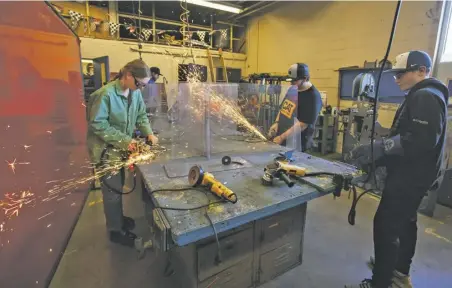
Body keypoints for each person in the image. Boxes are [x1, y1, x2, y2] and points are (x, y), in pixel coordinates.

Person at [347, 51, 449, 288]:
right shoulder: (425, 94)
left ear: (422, 71)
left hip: (409, 178)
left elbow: (422, 140)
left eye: (401, 73)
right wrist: (381, 156)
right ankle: (399, 271)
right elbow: (411, 136)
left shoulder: (425, 96)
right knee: (406, 222)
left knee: (385, 225)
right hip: (415, 175)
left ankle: (381, 282)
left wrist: (381, 147)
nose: (396, 79)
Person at [87, 59, 159, 247]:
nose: (141, 88)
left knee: (117, 188)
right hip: (105, 151)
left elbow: (141, 116)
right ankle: (115, 231)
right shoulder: (105, 95)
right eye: (139, 84)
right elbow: (98, 124)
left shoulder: (134, 94)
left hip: (119, 149)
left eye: (144, 86)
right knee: (112, 192)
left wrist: (148, 133)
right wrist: (128, 142)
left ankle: (117, 218)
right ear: (127, 75)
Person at [268, 63, 322, 152]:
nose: (291, 83)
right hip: (284, 139)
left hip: (297, 144)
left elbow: (303, 124)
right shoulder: (293, 89)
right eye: (291, 81)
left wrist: (282, 137)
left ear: (305, 78)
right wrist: (276, 123)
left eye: (294, 81)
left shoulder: (312, 96)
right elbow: (283, 108)